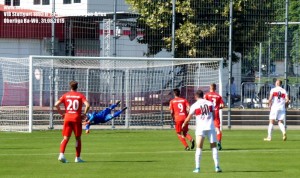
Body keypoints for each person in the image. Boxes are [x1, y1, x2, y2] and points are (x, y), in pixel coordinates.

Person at [182, 90, 222, 173]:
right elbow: (214, 116)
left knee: (199, 147)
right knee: (213, 147)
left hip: (201, 128)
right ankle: (217, 167)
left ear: (196, 96)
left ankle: (197, 168)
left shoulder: (195, 105)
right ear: (203, 95)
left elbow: (189, 117)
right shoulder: (210, 103)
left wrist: (184, 124)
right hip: (210, 127)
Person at [55, 81, 90, 163]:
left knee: (65, 138)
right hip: (76, 118)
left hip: (67, 117)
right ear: (77, 87)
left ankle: (61, 154)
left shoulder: (65, 95)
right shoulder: (80, 95)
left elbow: (56, 104)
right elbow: (87, 105)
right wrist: (84, 114)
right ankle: (77, 158)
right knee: (78, 138)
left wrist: (61, 113)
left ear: (70, 87)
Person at [204, 83, 224, 150]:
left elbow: (204, 104)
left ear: (210, 88)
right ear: (215, 88)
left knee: (207, 129)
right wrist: (218, 108)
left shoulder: (206, 95)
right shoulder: (218, 96)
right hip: (216, 113)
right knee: (218, 129)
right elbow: (222, 106)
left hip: (209, 113)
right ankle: (219, 142)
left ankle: (210, 143)